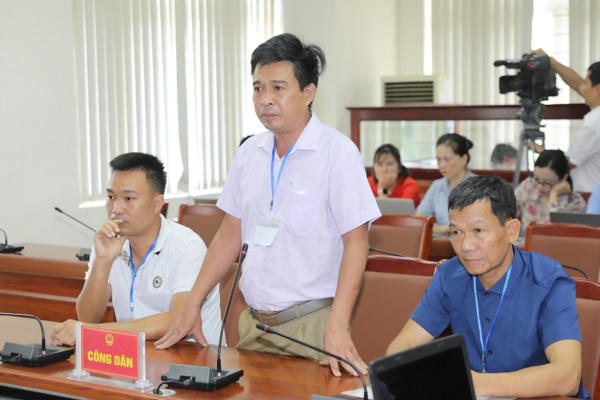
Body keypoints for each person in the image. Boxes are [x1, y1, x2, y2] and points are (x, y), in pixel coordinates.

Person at [155, 33, 381, 377]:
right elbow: (229, 234)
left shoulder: (337, 153)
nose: (265, 100)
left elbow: (356, 242)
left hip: (312, 324)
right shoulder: (250, 153)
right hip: (254, 325)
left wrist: (338, 324)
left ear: (308, 92)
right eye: (258, 88)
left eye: (278, 88)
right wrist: (192, 302)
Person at [387, 175, 589, 399]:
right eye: (456, 232)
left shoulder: (548, 280)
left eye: (478, 231)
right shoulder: (450, 276)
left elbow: (567, 377)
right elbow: (401, 348)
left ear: (512, 231)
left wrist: (475, 383)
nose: (465, 246)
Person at [50, 153, 222, 346]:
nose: (116, 209)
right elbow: (88, 317)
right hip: (135, 355)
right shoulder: (108, 243)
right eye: (111, 197)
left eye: (129, 198)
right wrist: (102, 262)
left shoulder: (186, 245)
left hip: (194, 356)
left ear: (157, 204)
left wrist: (92, 332)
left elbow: (179, 320)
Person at [534, 50, 600, 192]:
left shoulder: (594, 121)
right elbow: (577, 84)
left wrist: (540, 151)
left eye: (586, 83)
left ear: (597, 89)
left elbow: (568, 163)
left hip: (590, 195)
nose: (582, 87)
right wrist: (551, 61)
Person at [515, 149, 586, 235]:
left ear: (563, 178)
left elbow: (553, 233)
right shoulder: (528, 186)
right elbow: (507, 213)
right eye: (536, 179)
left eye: (547, 182)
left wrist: (553, 195)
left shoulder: (575, 203)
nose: (540, 187)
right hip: (525, 243)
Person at [416, 133, 475, 234]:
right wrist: (444, 229)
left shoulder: (479, 186)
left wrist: (435, 228)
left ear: (464, 159)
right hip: (442, 242)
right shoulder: (437, 186)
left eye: (447, 159)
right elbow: (418, 220)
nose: (442, 165)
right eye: (438, 160)